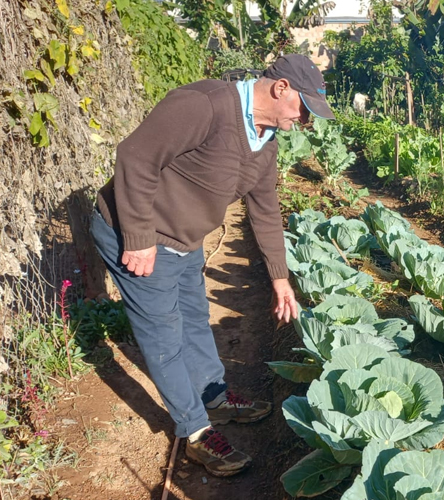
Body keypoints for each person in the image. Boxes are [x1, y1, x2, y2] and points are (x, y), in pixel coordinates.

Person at [90, 54, 335, 477]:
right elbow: (135, 156)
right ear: (280, 89)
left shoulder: (265, 141)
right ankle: (195, 431)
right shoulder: (204, 105)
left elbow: (265, 211)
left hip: (186, 237)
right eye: (304, 108)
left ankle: (214, 397)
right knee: (163, 334)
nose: (306, 120)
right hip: (143, 233)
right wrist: (138, 237)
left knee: (194, 318)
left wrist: (280, 278)